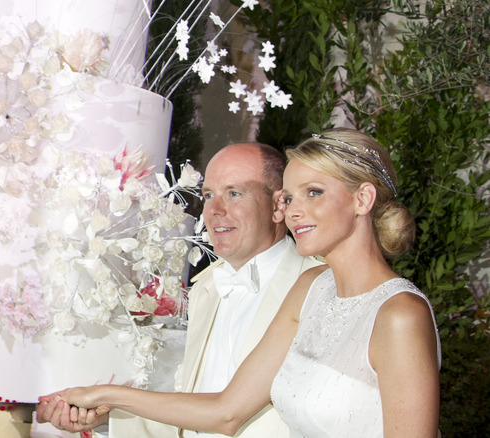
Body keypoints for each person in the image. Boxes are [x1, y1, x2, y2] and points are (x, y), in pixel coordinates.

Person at [39, 128, 441, 437]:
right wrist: (103, 396)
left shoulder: (400, 315)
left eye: (313, 193)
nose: (294, 212)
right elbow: (226, 411)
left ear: (363, 199)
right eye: (290, 198)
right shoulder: (311, 290)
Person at [37, 142, 322, 437]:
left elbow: (231, 415)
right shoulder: (205, 289)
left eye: (234, 193)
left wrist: (106, 395)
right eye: (209, 195)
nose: (214, 211)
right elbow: (189, 411)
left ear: (279, 205)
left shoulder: (320, 287)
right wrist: (104, 420)